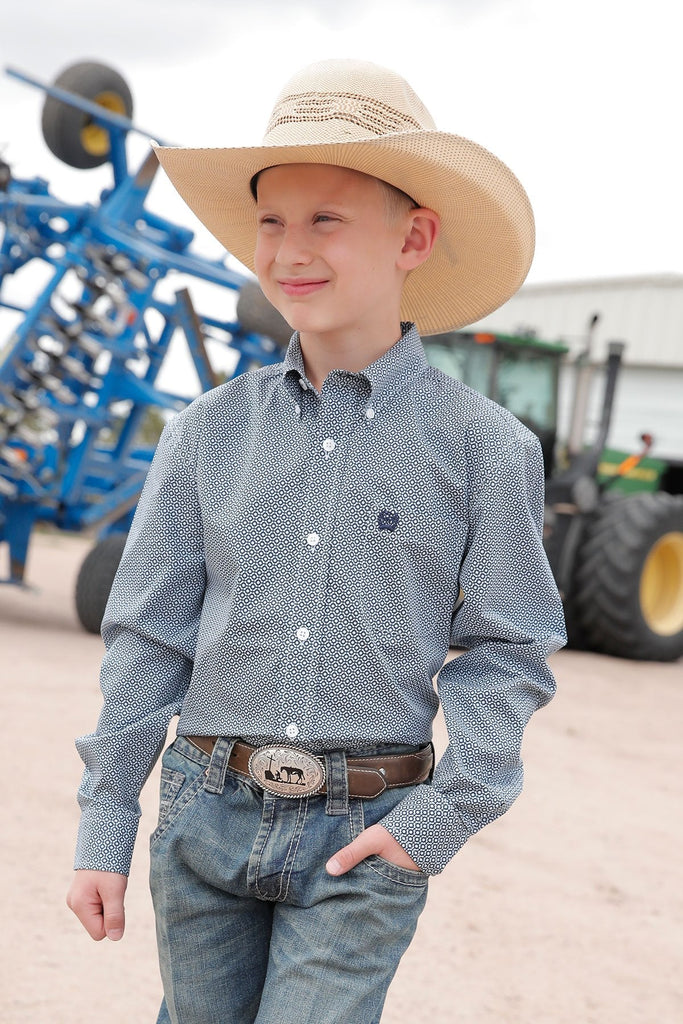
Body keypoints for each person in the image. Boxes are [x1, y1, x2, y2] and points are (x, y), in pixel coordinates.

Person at [67, 58, 566, 1024]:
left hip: (367, 830)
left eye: (325, 219)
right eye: (271, 221)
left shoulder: (485, 450)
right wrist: (104, 822)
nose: (289, 249)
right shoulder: (203, 432)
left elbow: (509, 650)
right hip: (202, 812)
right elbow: (148, 638)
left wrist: (438, 820)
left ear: (414, 235)